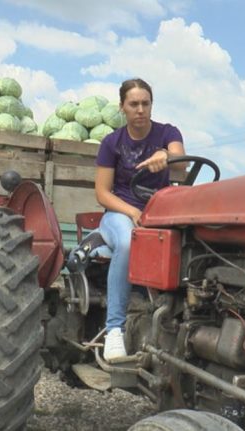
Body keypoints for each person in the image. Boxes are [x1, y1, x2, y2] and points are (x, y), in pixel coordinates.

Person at [94, 78, 186, 360]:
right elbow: (101, 192)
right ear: (123, 107)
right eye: (133, 104)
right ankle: (113, 331)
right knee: (128, 243)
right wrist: (132, 212)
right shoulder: (112, 143)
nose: (140, 109)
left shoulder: (167, 133)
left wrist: (165, 155)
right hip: (121, 212)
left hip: (160, 213)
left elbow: (181, 162)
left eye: (145, 103)